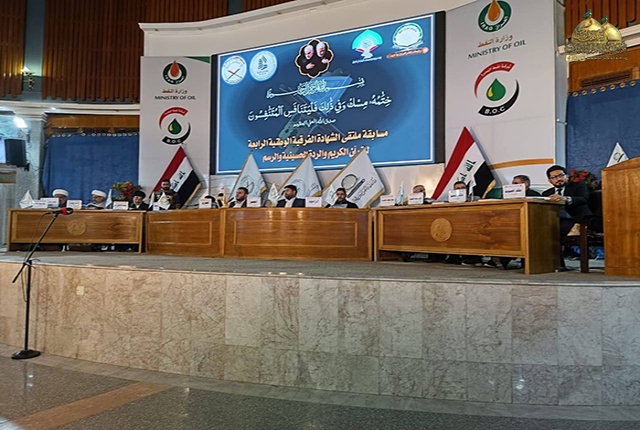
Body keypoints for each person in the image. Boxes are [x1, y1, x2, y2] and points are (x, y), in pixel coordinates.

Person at [542, 165, 592, 270]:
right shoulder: (546, 193)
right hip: (556, 220)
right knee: (539, 229)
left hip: (575, 219)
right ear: (550, 180)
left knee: (552, 230)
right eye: (554, 177)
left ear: (566, 176)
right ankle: (545, 263)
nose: (558, 179)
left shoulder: (578, 186)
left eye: (561, 175)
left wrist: (565, 198)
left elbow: (584, 199)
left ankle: (558, 264)